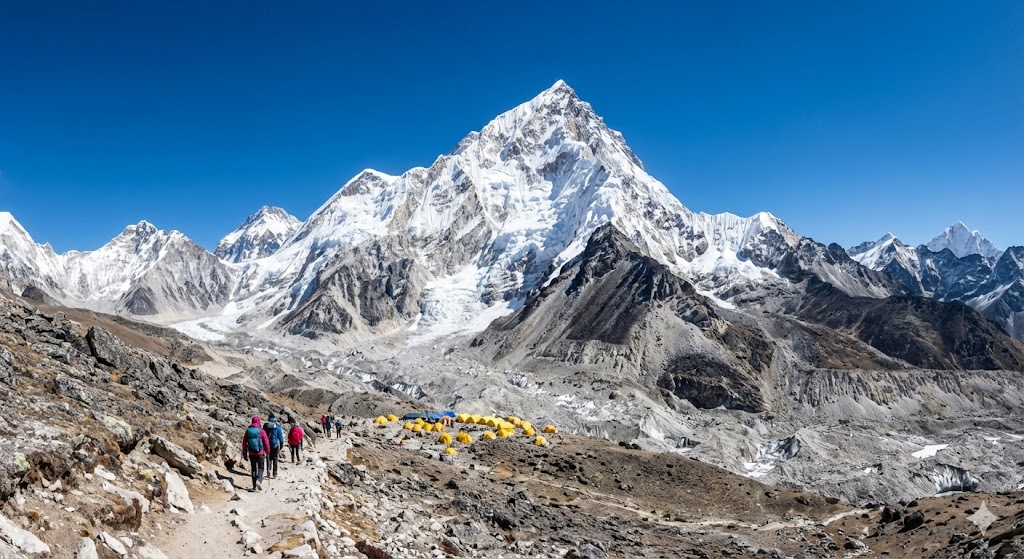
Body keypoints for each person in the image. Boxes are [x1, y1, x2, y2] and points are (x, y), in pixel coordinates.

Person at [242, 415, 271, 491]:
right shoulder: (261, 431)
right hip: (260, 453)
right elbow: (266, 442)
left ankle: (254, 486)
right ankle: (259, 480)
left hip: (251, 453)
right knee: (261, 468)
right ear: (259, 422)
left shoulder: (248, 431)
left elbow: (244, 443)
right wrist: (268, 451)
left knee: (253, 469)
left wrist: (244, 454)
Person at [263, 414, 285, 479]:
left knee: (268, 458)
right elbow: (280, 437)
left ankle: (268, 471)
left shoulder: (266, 426)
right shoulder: (277, 427)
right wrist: (281, 445)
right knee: (275, 459)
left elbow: (263, 435)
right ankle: (274, 474)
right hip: (275, 445)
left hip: (267, 444)